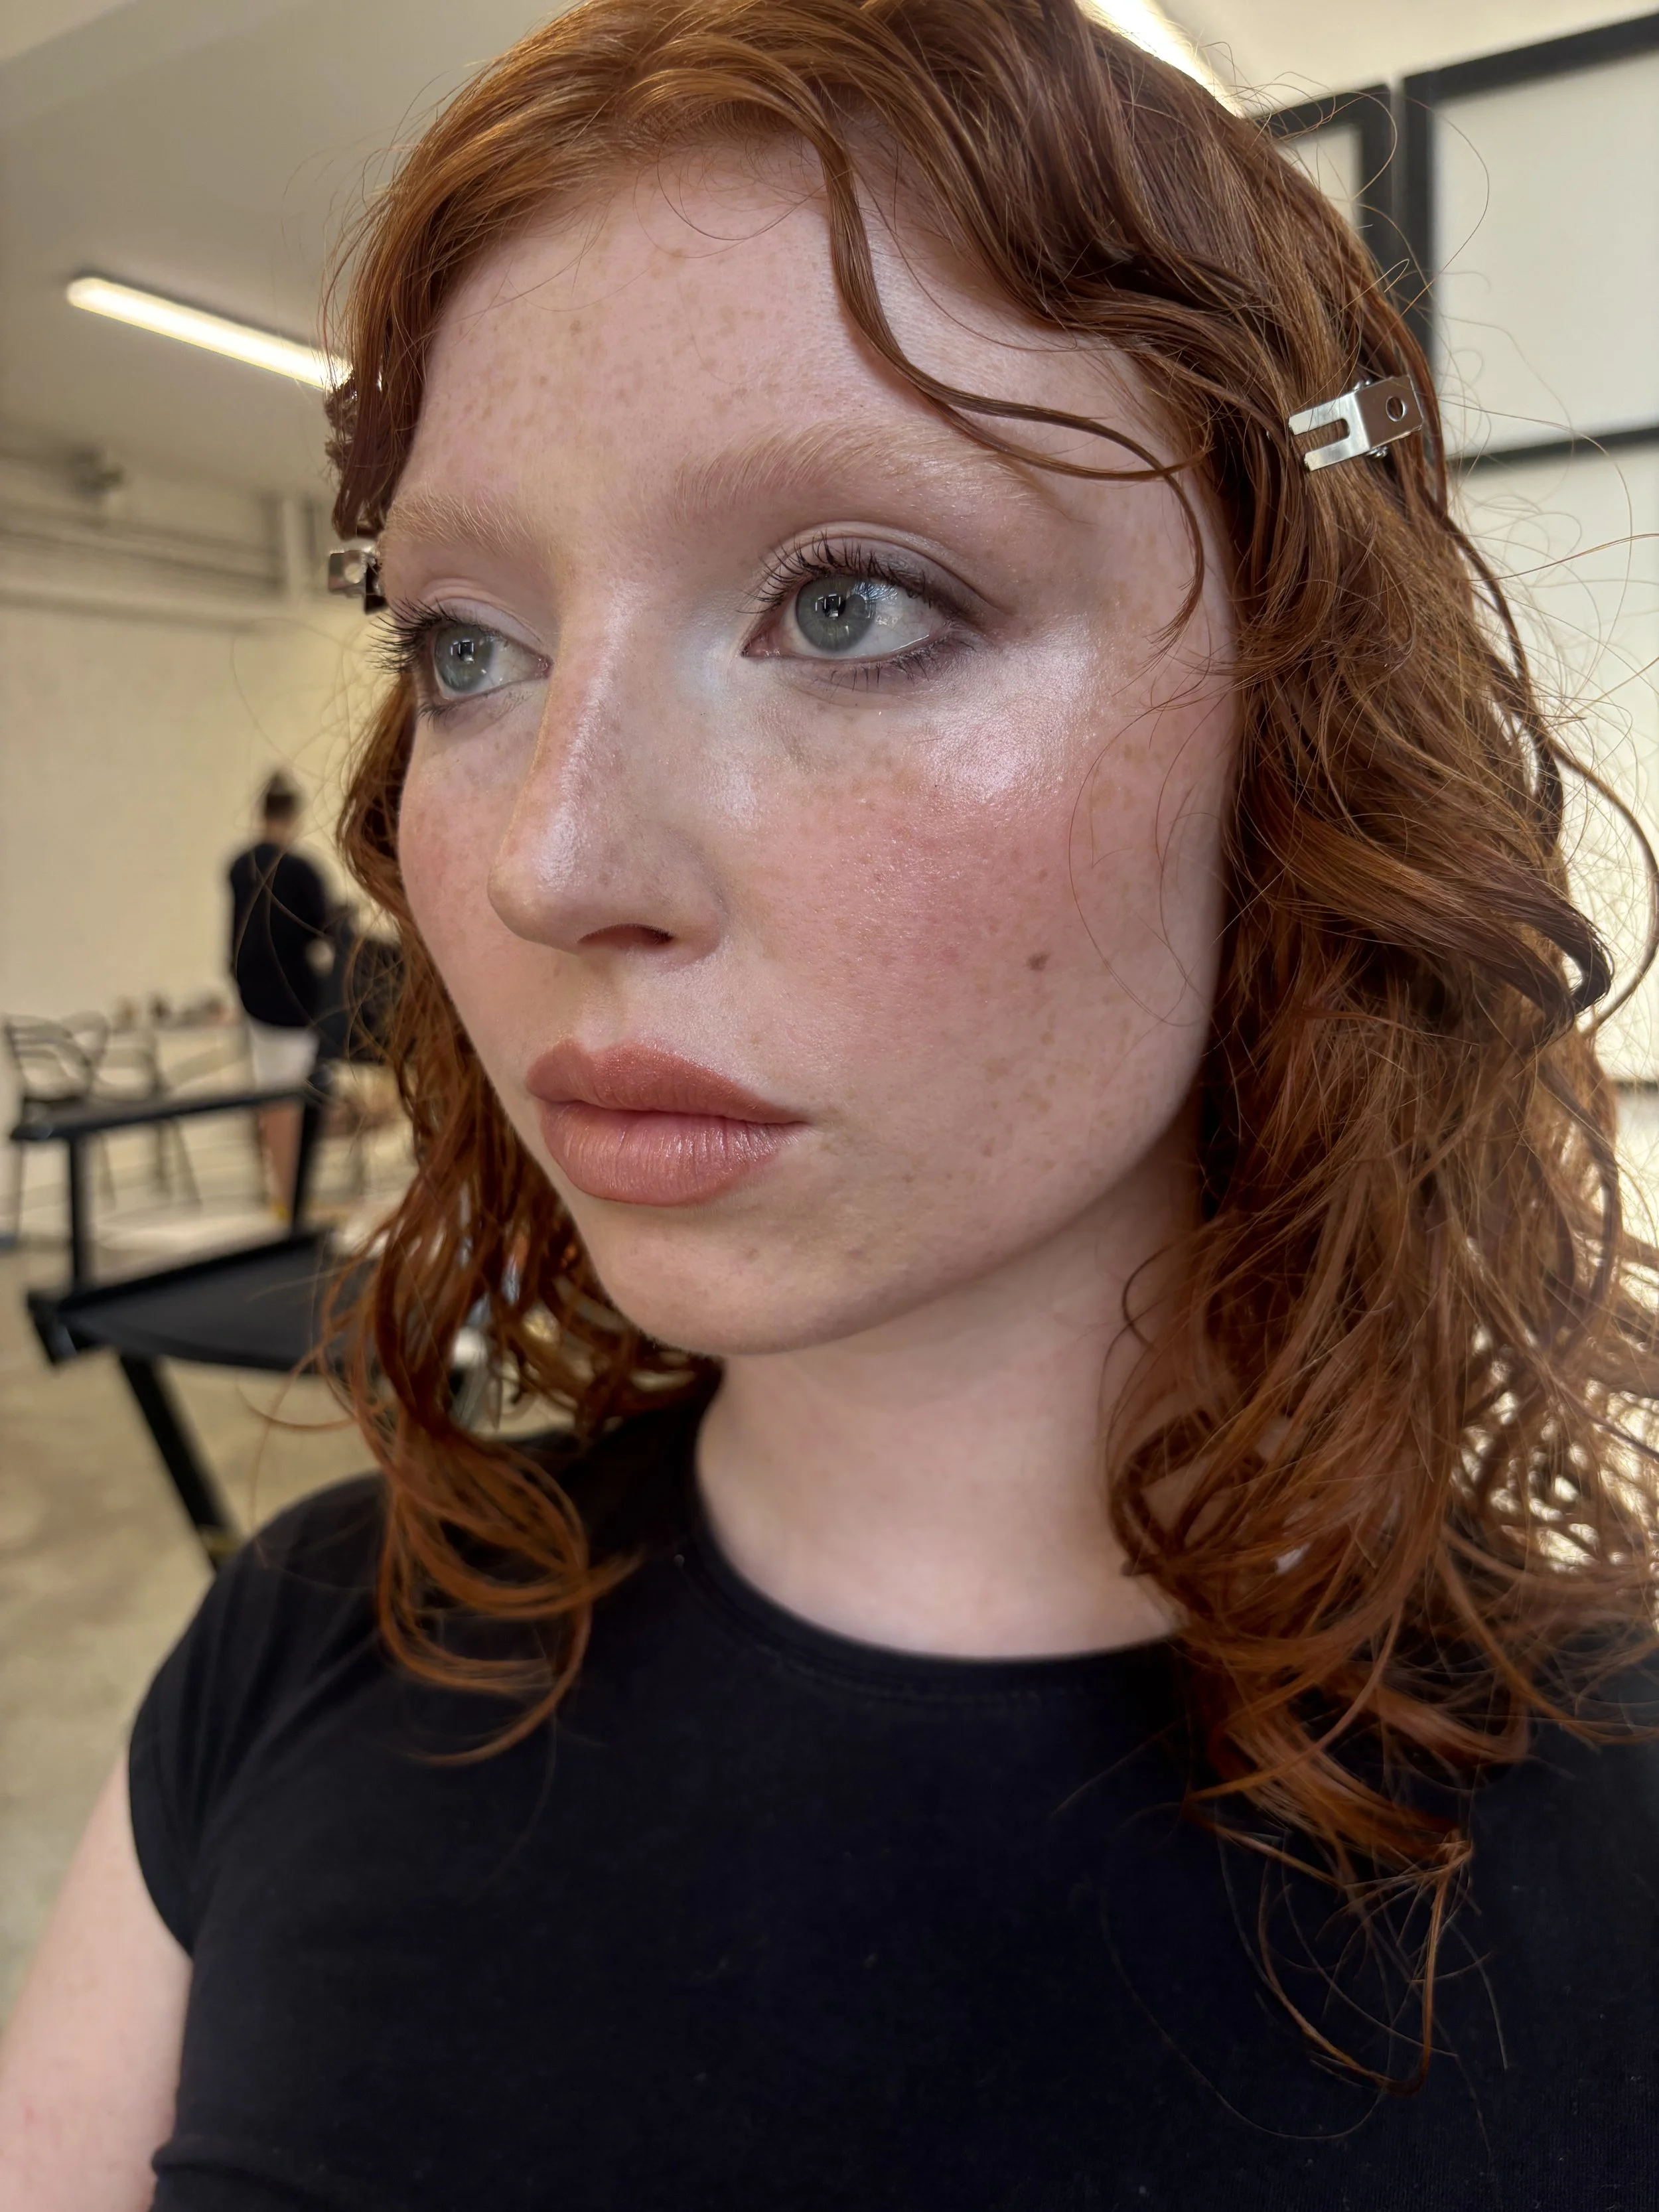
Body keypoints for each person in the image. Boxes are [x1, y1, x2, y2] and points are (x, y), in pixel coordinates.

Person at [3, 3, 1657, 2205]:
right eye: (470, 643)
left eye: (852, 598)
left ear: (1298, 724)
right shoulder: (305, 1653)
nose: (545, 857)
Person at [226, 774, 329, 1215]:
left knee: (272, 1095)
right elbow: (327, 932)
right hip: (293, 1001)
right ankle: (291, 1197)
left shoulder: (237, 866)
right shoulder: (301, 872)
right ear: (295, 816)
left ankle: (283, 1192)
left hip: (253, 996)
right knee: (291, 1098)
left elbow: (235, 939)